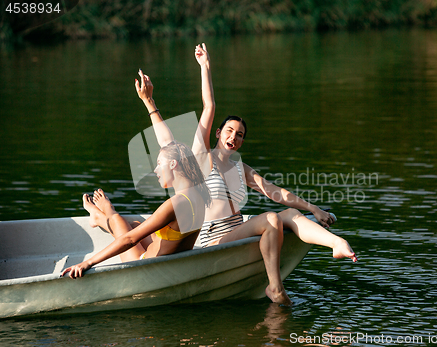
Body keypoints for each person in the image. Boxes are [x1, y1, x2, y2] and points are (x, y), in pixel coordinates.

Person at [148, 44, 357, 305]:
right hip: (213, 238)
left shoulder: (239, 167)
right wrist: (205, 67)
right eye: (229, 131)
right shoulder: (200, 158)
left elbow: (275, 192)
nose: (233, 137)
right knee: (270, 218)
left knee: (290, 214)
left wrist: (313, 208)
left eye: (239, 135)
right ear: (217, 133)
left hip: (236, 231)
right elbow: (208, 105)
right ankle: (275, 288)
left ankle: (336, 243)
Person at [61, 71, 211, 279]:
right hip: (173, 262)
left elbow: (129, 241)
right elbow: (168, 144)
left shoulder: (174, 205)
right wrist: (149, 102)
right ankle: (101, 217)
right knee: (136, 225)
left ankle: (103, 214)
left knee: (120, 222)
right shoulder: (198, 190)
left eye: (159, 165)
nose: (156, 170)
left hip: (145, 267)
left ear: (174, 164)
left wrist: (88, 262)